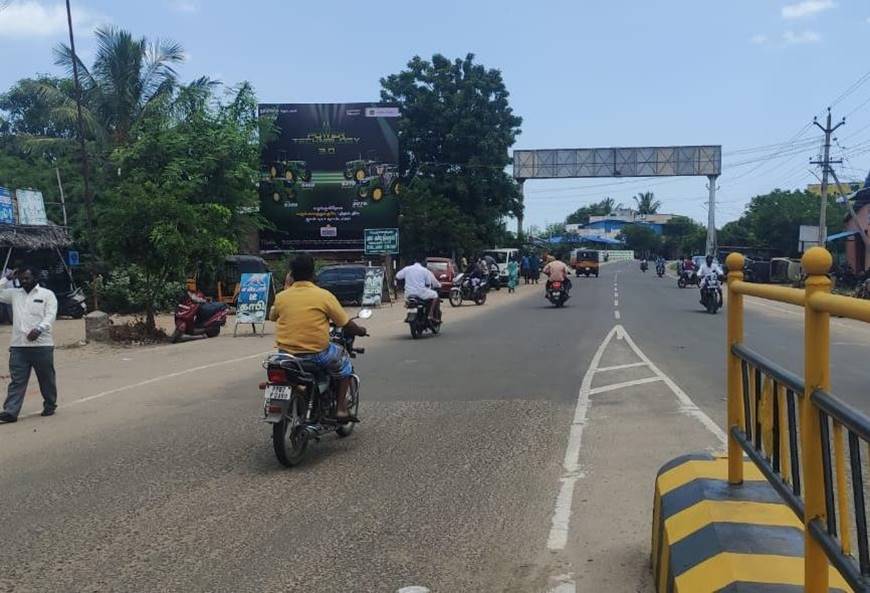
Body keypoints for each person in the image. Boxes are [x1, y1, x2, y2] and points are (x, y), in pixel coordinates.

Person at [269, 254, 367, 423]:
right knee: (345, 364)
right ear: (313, 273)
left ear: (291, 274)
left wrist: (286, 288)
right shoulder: (323, 295)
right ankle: (341, 409)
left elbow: (272, 316)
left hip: (284, 354)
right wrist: (360, 330)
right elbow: (344, 322)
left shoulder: (282, 297)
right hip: (315, 354)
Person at [0, 267, 59, 424]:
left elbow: (51, 315)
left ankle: (50, 404)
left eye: (27, 278)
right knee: (17, 380)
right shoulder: (14, 295)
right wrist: (6, 279)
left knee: (46, 378)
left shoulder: (47, 295)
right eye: (21, 279)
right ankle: (10, 411)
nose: (24, 282)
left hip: (42, 345)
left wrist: (39, 329)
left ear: (35, 278)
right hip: (19, 346)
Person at [396, 254, 442, 322]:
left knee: (408, 301)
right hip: (420, 293)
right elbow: (428, 283)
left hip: (408, 294)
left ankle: (408, 310)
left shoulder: (407, 269)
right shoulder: (424, 271)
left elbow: (397, 276)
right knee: (435, 295)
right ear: (423, 262)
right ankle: (430, 314)